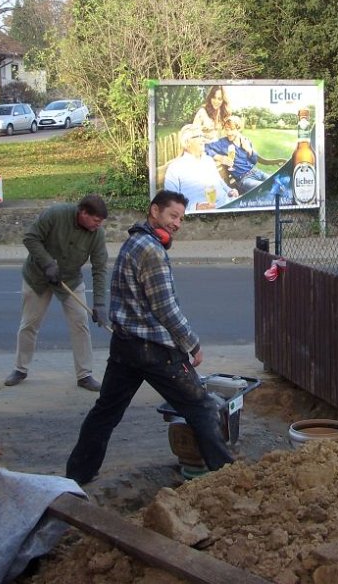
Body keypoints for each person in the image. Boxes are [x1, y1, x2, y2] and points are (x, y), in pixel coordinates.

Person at [65, 190, 234, 485]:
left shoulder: (134, 242)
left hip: (124, 347)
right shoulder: (151, 251)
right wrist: (192, 343)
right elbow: (165, 308)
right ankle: (227, 477)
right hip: (153, 350)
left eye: (181, 219)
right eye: (173, 216)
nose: (177, 223)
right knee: (202, 407)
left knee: (106, 412)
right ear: (154, 211)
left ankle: (78, 474)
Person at [4, 194, 109, 392]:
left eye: (101, 221)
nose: (98, 225)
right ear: (83, 213)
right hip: (37, 277)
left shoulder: (97, 234)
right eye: (96, 220)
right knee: (29, 324)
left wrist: (100, 303)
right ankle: (20, 369)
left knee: (80, 323)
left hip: (70, 280)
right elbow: (30, 237)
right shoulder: (56, 214)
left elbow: (100, 268)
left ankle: (84, 375)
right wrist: (47, 263)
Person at [162, 123, 237, 211]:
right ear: (187, 142)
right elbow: (170, 201)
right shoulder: (175, 168)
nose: (203, 139)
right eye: (198, 136)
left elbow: (219, 181)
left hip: (228, 203)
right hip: (206, 213)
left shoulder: (208, 160)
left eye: (202, 136)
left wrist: (230, 191)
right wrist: (194, 207)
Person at [204, 115, 268, 193]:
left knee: (277, 181)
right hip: (244, 180)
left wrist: (249, 150)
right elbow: (205, 147)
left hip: (256, 172)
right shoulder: (223, 143)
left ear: (238, 129)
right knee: (265, 188)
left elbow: (254, 161)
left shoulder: (245, 140)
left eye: (232, 129)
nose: (229, 133)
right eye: (227, 130)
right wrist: (219, 157)